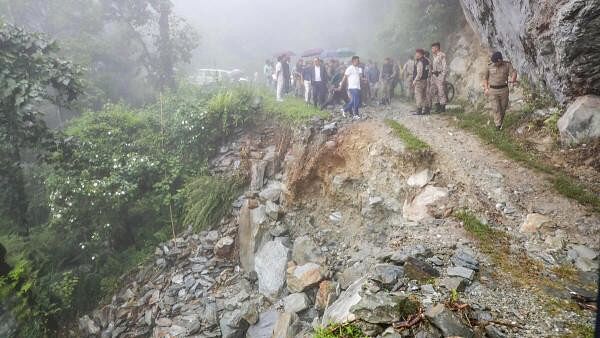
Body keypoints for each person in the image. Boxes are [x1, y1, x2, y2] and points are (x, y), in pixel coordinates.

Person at [484, 51, 517, 129]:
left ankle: (500, 123)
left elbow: (513, 73)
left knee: (503, 107)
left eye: (495, 62)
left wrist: (513, 79)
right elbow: (485, 78)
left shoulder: (507, 65)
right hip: (493, 90)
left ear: (500, 60)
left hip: (504, 90)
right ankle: (498, 126)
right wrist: (486, 88)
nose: (494, 63)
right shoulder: (489, 66)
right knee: (496, 108)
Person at [430, 42, 448, 112]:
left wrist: (443, 76)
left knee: (441, 91)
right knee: (435, 91)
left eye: (433, 48)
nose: (432, 49)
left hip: (440, 75)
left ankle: (443, 107)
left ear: (437, 48)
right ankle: (437, 106)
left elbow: (445, 67)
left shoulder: (442, 55)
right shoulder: (434, 56)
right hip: (434, 75)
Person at [412, 48, 431, 115]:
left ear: (420, 54)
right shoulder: (427, 60)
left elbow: (419, 74)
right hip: (425, 80)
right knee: (424, 96)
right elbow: (429, 70)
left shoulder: (420, 62)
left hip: (419, 81)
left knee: (418, 95)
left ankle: (419, 110)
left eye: (416, 53)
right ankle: (427, 109)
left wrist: (414, 81)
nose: (415, 54)